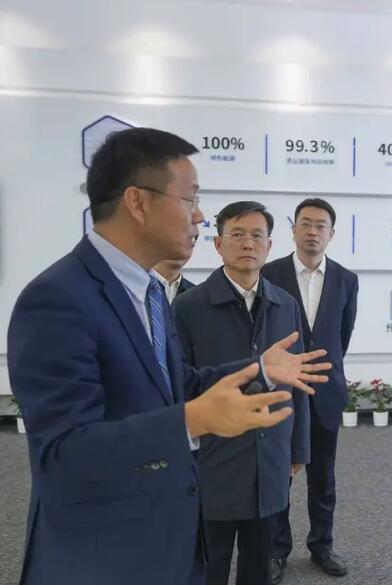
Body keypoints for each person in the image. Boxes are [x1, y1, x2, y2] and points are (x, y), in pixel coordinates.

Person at [7, 127, 331, 585]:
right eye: (190, 199)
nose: (199, 216)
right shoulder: (57, 299)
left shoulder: (151, 294)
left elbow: (179, 383)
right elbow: (63, 455)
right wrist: (192, 420)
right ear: (138, 203)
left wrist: (258, 369)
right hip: (102, 557)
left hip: (167, 541)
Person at [173, 201, 310, 585]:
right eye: (237, 235)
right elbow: (180, 384)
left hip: (270, 454)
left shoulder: (285, 305)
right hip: (212, 455)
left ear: (269, 245)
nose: (248, 243)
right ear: (218, 244)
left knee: (259, 563)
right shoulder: (189, 307)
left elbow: (298, 381)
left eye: (256, 236)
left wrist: (297, 447)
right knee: (209, 563)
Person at [262, 198, 358, 581]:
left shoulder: (346, 279)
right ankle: (276, 550)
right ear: (294, 230)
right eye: (305, 223)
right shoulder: (269, 273)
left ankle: (322, 546)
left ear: (331, 234)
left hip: (324, 392)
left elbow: (340, 337)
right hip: (281, 392)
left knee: (323, 477)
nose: (313, 231)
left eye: (321, 225)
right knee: (279, 475)